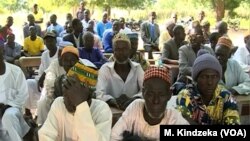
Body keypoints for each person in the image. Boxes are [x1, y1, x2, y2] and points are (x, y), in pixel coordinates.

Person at [111, 66, 189, 141]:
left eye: (161, 95)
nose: (156, 101)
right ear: (143, 93)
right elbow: (113, 137)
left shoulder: (174, 119)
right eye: (150, 94)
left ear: (169, 95)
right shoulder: (135, 108)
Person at [38, 63, 112, 141]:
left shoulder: (101, 110)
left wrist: (80, 105)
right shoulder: (59, 103)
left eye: (73, 98)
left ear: (88, 95)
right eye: (65, 96)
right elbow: (45, 135)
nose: (66, 102)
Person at [177, 50, 240, 125]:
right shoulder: (186, 96)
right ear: (196, 78)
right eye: (204, 77)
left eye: (214, 77)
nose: (210, 82)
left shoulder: (226, 97)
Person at [37, 46, 96, 125]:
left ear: (78, 62)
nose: (70, 63)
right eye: (66, 61)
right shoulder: (59, 80)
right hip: (63, 115)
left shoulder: (87, 72)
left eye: (72, 60)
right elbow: (51, 86)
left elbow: (93, 95)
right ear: (62, 62)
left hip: (84, 113)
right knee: (44, 102)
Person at [96, 33, 144, 110]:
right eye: (117, 49)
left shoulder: (137, 68)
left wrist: (133, 99)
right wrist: (113, 101)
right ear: (113, 52)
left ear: (129, 50)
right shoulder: (105, 69)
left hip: (134, 110)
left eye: (124, 49)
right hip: (111, 112)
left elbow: (145, 90)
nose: (121, 52)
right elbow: (99, 94)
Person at [25, 32, 58, 117]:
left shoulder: (60, 52)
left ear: (56, 41)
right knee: (29, 82)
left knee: (45, 95)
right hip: (43, 81)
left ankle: (41, 115)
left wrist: (43, 77)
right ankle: (29, 111)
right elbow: (41, 70)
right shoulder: (44, 54)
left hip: (55, 82)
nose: (49, 43)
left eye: (51, 41)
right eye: (47, 41)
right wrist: (39, 79)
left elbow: (54, 68)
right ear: (45, 43)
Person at [0, 46, 30, 141]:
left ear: (2, 53)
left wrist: (7, 106)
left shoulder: (15, 71)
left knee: (9, 116)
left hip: (13, 108)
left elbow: (23, 95)